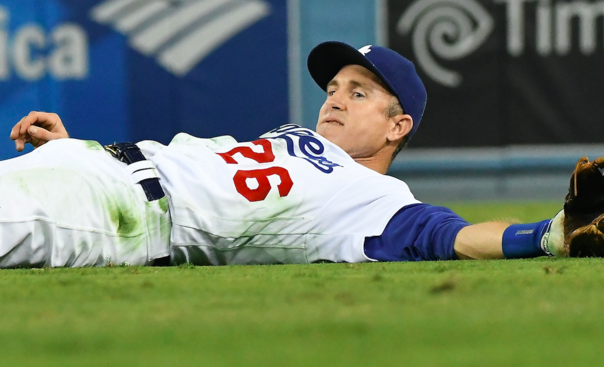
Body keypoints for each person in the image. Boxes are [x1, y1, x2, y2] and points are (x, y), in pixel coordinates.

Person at [3, 41, 574, 268]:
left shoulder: (374, 198)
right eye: (332, 89)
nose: (334, 100)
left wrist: (548, 235)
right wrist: (79, 151)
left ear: (398, 126)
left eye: (359, 92)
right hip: (88, 169)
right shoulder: (297, 141)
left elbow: (450, 238)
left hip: (117, 215)